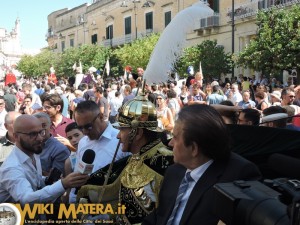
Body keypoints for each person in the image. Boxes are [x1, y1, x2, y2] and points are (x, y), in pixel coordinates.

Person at [143, 104, 261, 225]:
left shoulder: (238, 178)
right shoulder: (174, 172)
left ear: (194, 148)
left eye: (175, 137)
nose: (171, 143)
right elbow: (159, 216)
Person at [77, 93, 174, 224]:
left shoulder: (162, 163)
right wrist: (107, 217)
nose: (118, 136)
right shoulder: (136, 159)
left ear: (138, 133)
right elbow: (126, 206)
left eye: (122, 129)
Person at [0, 115, 89, 204]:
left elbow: (34, 180)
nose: (40, 138)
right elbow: (26, 199)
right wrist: (63, 184)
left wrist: (46, 179)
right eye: (32, 134)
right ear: (16, 136)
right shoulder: (11, 168)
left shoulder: (33, 153)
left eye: (41, 132)